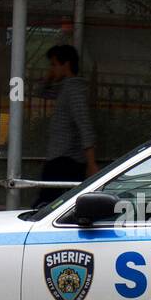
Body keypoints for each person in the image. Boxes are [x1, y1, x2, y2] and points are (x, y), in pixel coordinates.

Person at [35, 44, 97, 206]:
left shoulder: (74, 90)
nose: (52, 69)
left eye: (54, 64)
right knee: (51, 202)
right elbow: (40, 91)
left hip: (66, 159)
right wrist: (51, 75)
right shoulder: (65, 87)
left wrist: (91, 164)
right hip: (60, 157)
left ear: (66, 64)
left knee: (47, 203)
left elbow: (84, 125)